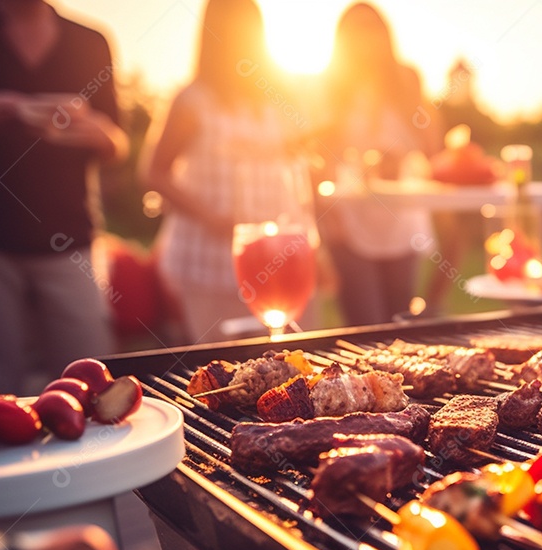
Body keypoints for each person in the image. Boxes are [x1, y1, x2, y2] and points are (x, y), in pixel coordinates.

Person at [142, 0, 315, 344]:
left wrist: (312, 245)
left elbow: (291, 172)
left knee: (292, 354)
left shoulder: (272, 98)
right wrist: (212, 217)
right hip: (209, 257)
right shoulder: (193, 100)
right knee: (224, 364)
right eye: (234, 29)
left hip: (276, 252)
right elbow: (154, 173)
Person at [0, 0, 128, 393]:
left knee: (91, 385)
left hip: (70, 242)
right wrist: (13, 107)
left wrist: (96, 133)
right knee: (5, 391)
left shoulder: (90, 42)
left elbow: (116, 141)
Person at [318, 3, 440, 326]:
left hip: (402, 222)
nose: (365, 40)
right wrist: (330, 223)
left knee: (401, 324)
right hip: (351, 221)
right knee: (366, 327)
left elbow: (433, 150)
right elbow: (318, 160)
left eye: (371, 30)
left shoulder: (408, 81)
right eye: (356, 32)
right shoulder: (332, 89)